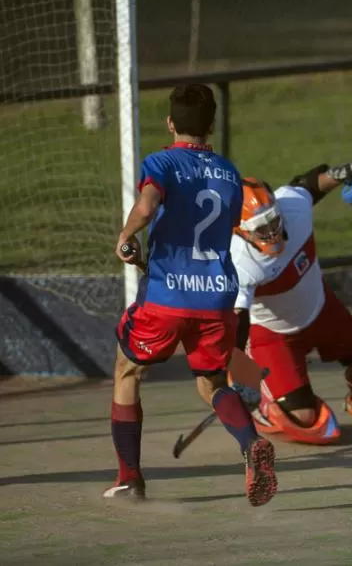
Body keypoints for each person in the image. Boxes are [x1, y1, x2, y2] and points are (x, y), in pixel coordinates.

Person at [107, 84, 276, 506]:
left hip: (167, 297)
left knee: (128, 371)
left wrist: (127, 236)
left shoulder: (162, 161)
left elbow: (147, 207)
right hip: (217, 298)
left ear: (170, 124)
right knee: (212, 382)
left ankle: (129, 478)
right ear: (212, 124)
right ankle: (250, 443)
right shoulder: (230, 173)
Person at [229, 160, 352, 446]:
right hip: (273, 337)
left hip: (324, 313)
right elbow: (238, 321)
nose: (274, 233)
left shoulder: (292, 207)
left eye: (275, 221)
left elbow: (309, 184)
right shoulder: (237, 264)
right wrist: (239, 375)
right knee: (305, 421)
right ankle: (261, 407)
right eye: (262, 230)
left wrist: (340, 173)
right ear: (240, 231)